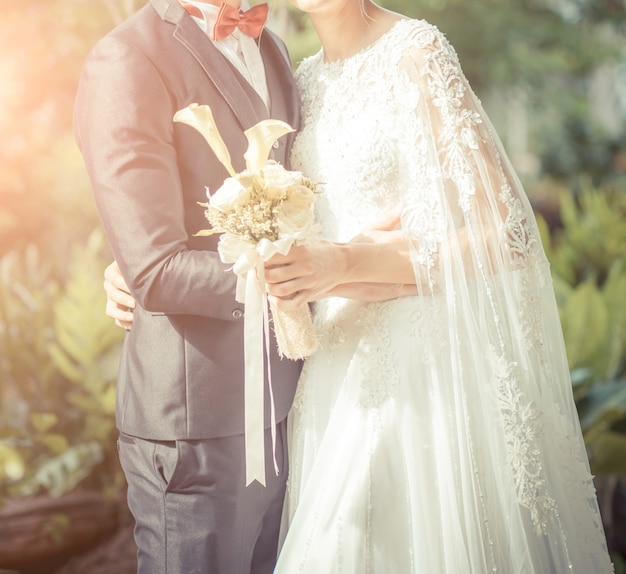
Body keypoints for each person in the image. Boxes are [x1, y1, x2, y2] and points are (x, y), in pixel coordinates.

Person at [105, 0, 616, 572]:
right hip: (327, 371)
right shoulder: (297, 74)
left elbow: (511, 233)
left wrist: (351, 262)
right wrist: (136, 265)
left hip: (418, 360)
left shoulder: (413, 52)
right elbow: (239, 206)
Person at [73, 1, 305, 572]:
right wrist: (312, 275)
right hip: (194, 429)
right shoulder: (126, 58)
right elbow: (154, 268)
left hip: (289, 406)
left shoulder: (272, 49)